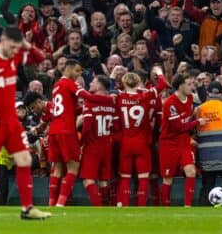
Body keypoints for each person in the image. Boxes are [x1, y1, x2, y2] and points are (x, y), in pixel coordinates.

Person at [0, 26, 51, 221]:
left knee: (24, 160)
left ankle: (27, 208)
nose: (16, 51)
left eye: (17, 47)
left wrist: (25, 44)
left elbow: (40, 58)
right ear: (3, 41)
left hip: (11, 121)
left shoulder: (13, 56)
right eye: (12, 46)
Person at [48, 59, 112, 207]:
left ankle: (51, 203)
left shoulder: (56, 86)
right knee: (73, 168)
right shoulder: (69, 83)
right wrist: (108, 99)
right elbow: (88, 97)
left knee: (57, 169)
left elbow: (67, 108)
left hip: (54, 130)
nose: (78, 75)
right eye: (77, 71)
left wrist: (81, 111)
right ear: (68, 69)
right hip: (66, 130)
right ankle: (60, 203)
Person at [115, 69, 167, 207]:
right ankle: (141, 207)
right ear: (138, 82)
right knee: (143, 177)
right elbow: (162, 84)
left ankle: (124, 206)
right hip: (142, 141)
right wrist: (159, 72)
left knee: (125, 177)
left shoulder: (118, 97)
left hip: (126, 141)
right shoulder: (145, 96)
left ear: (123, 83)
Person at [159, 73, 208, 207]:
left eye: (192, 84)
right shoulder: (170, 103)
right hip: (169, 143)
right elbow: (179, 127)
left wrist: (199, 85)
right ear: (180, 86)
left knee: (191, 171)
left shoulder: (190, 98)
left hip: (184, 142)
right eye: (189, 84)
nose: (191, 87)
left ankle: (187, 207)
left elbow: (204, 100)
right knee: (168, 178)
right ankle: (165, 208)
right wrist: (197, 121)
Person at [80, 74, 115, 206]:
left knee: (88, 180)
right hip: (107, 144)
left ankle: (98, 207)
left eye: (93, 82)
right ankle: (106, 207)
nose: (90, 84)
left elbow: (87, 127)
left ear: (100, 85)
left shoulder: (90, 101)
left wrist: (80, 144)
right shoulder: (112, 101)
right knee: (103, 180)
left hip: (92, 145)